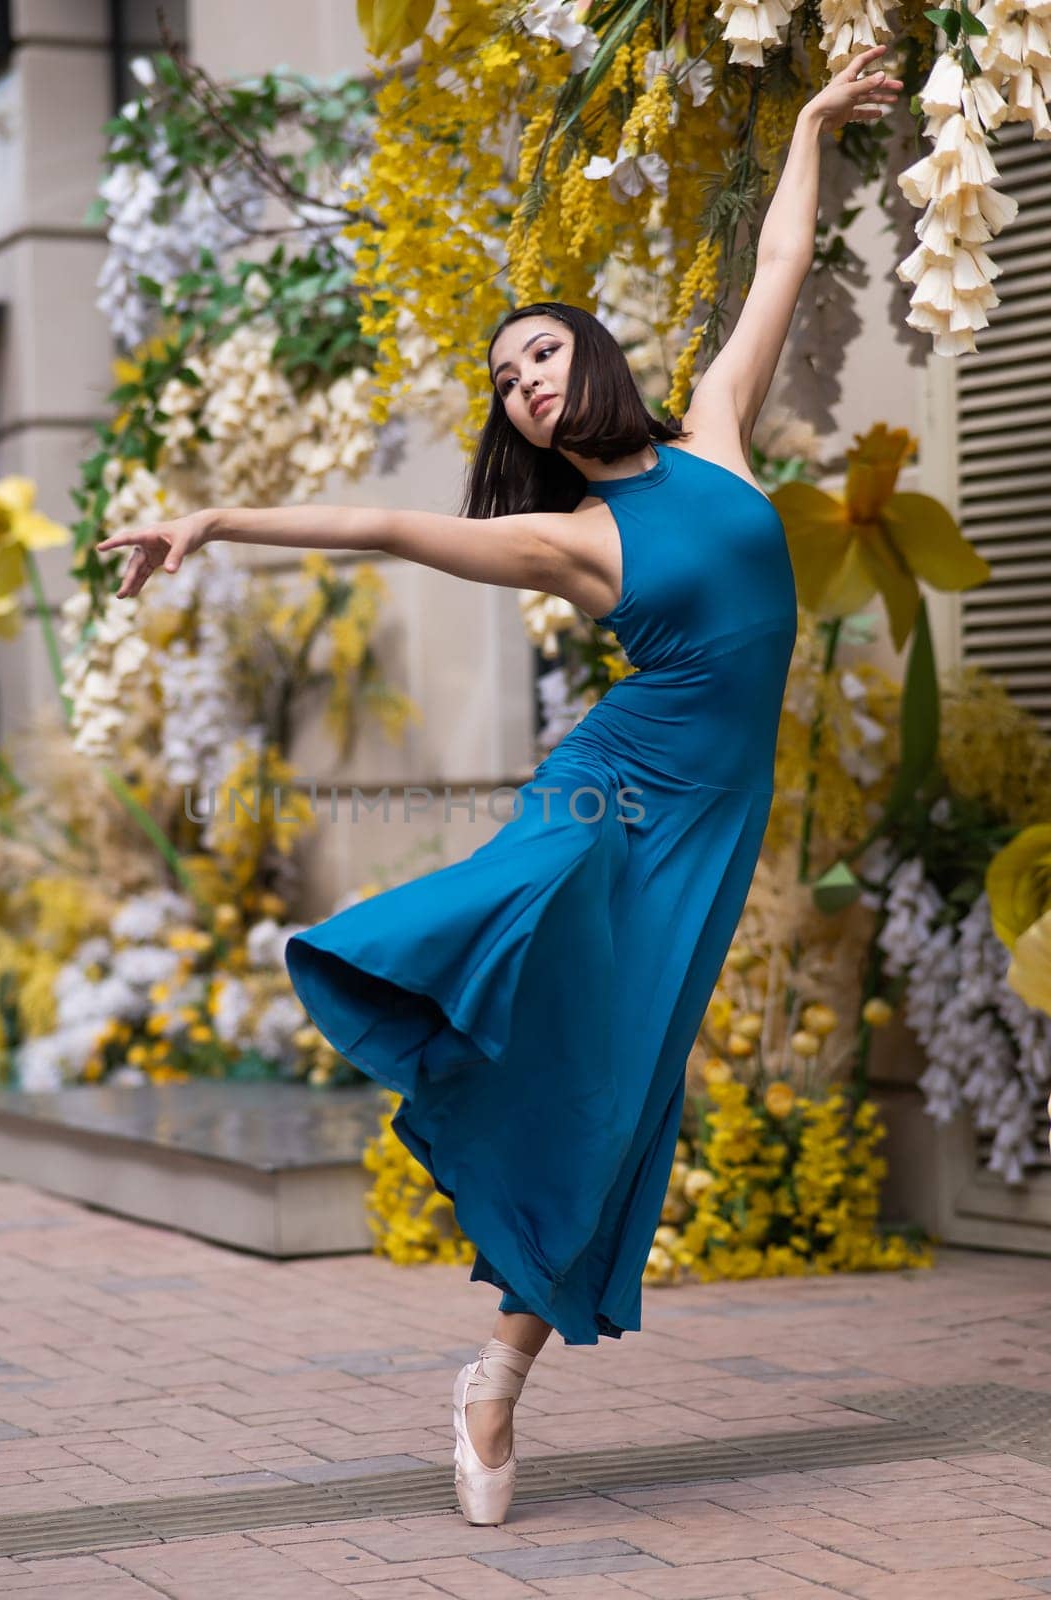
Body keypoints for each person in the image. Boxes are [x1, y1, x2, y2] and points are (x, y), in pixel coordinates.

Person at [95, 44, 903, 1527]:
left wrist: (798, 121)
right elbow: (386, 527)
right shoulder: (574, 540)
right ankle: (399, 985)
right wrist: (213, 514)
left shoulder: (715, 432)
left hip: (709, 822)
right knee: (516, 905)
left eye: (536, 354)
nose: (523, 385)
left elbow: (784, 250)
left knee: (625, 1092)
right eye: (504, 384)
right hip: (617, 791)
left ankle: (495, 1381)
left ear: (590, 353)